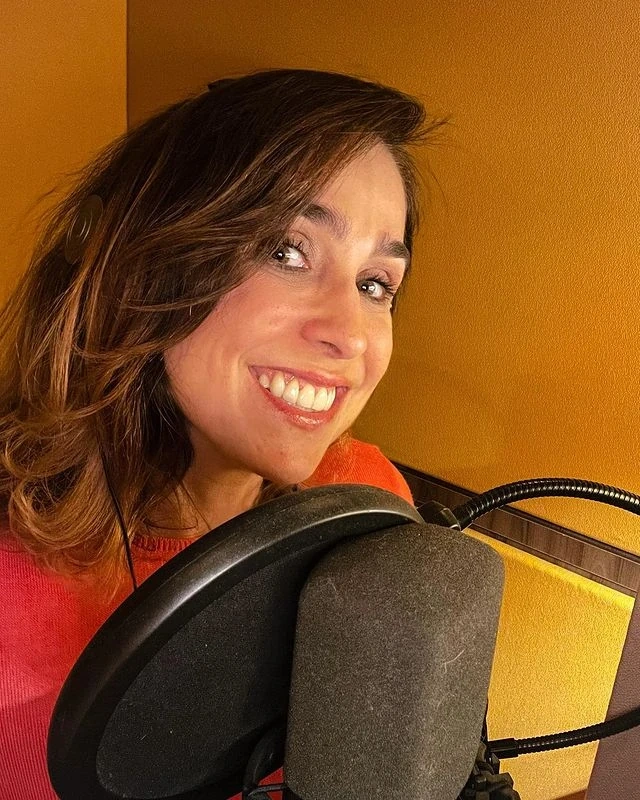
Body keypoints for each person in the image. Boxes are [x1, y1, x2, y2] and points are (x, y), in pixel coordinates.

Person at [0, 68, 443, 799]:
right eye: (287, 251)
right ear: (139, 265)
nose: (350, 335)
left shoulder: (366, 501)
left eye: (375, 285)